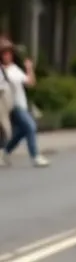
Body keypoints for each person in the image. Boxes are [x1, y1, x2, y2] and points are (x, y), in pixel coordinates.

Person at [0, 37, 49, 168]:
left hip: (20, 105)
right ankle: (35, 156)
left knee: (21, 132)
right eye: (4, 53)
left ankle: (4, 152)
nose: (8, 55)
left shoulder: (14, 68)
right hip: (12, 107)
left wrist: (29, 68)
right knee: (30, 126)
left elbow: (31, 83)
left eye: (9, 52)